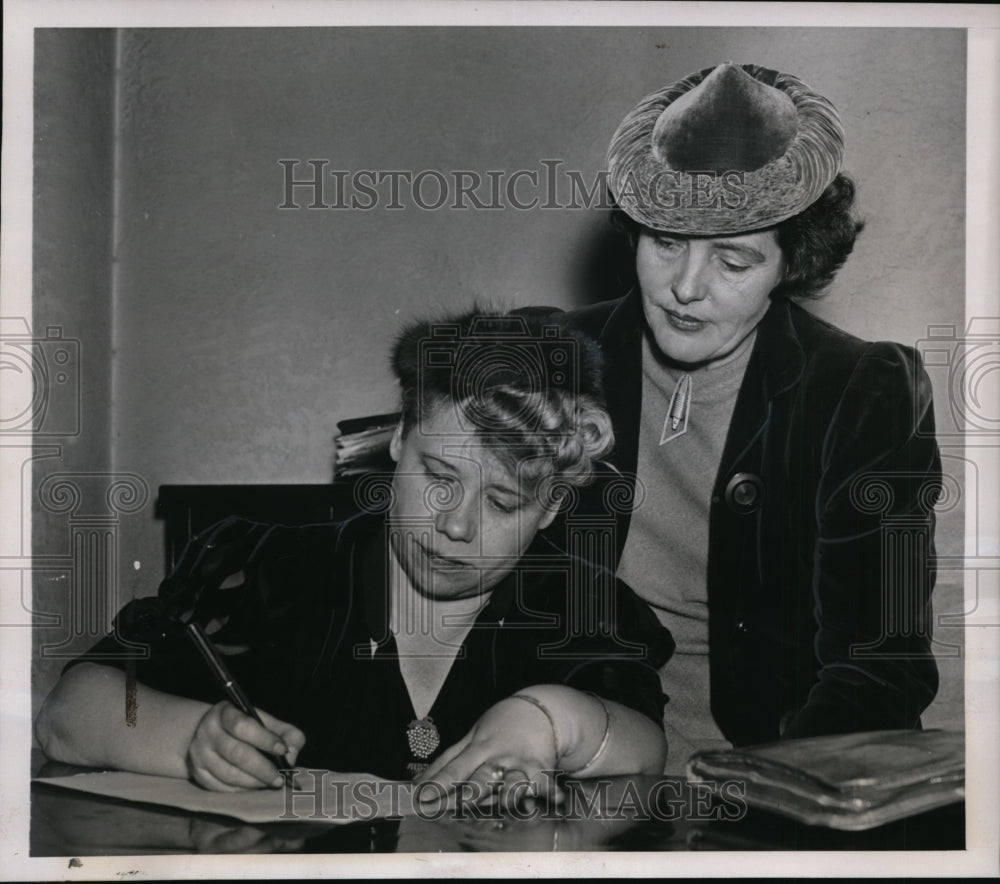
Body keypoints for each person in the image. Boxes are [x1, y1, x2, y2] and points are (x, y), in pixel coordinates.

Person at [34, 309, 675, 795]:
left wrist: (553, 717)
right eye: (439, 478)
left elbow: (647, 748)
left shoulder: (583, 605)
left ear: (555, 506)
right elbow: (67, 712)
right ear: (398, 441)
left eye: (504, 503)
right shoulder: (270, 569)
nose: (455, 526)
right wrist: (187, 742)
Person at [547, 62, 942, 773]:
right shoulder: (550, 357)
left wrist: (768, 795)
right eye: (666, 241)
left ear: (791, 264)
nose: (686, 289)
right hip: (570, 757)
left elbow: (881, 667)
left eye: (732, 261)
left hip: (766, 772)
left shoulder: (863, 391)